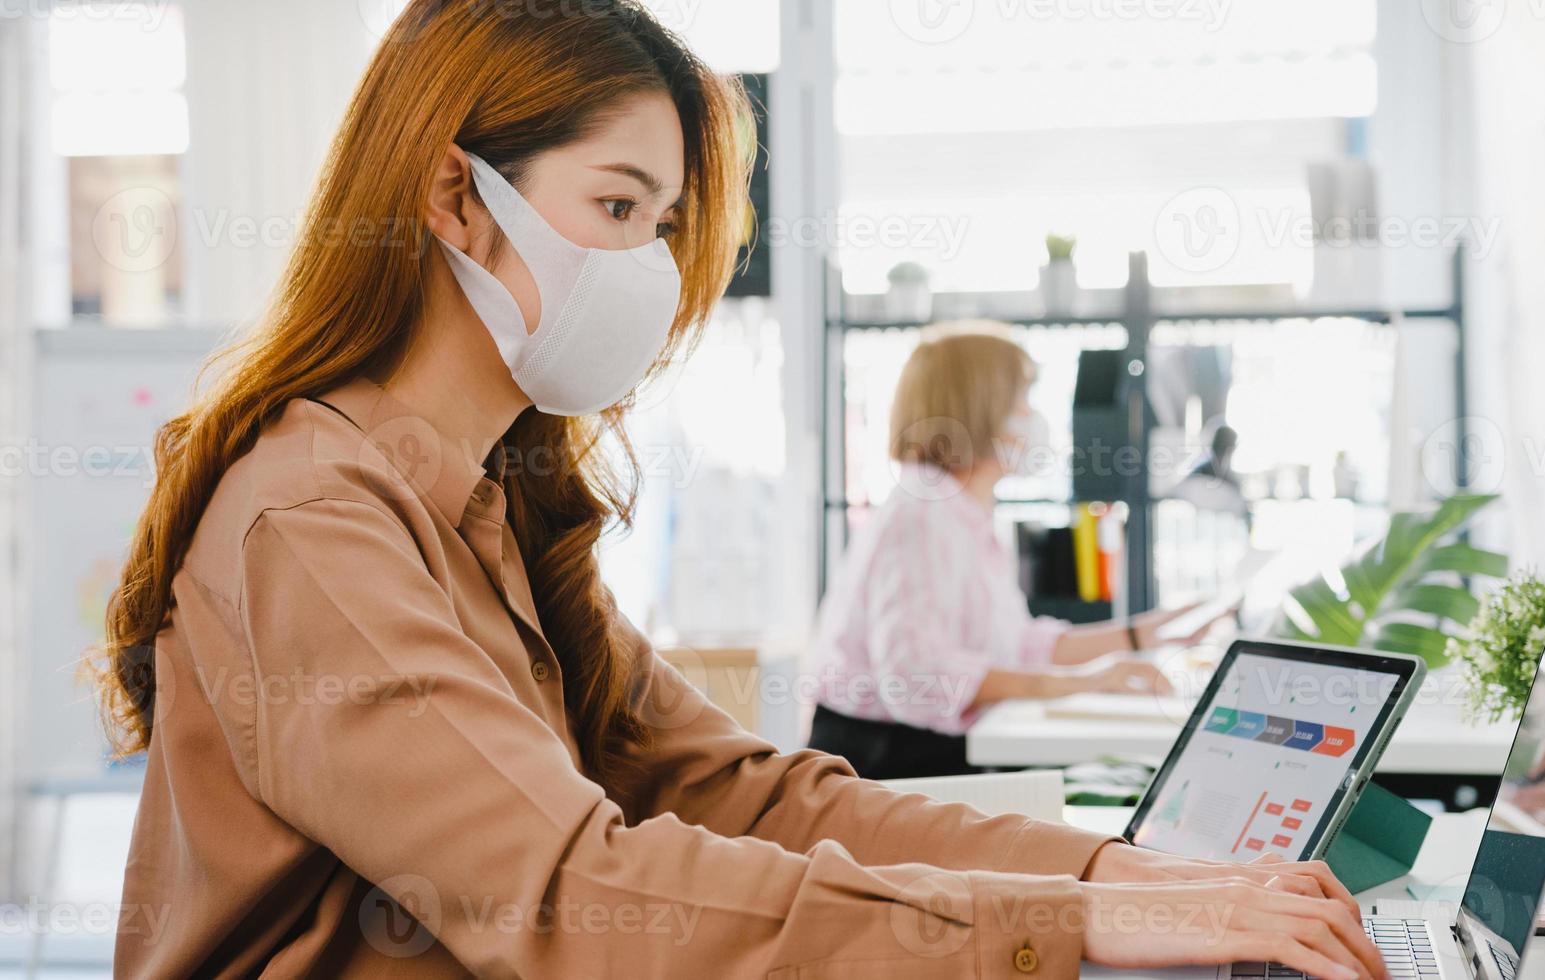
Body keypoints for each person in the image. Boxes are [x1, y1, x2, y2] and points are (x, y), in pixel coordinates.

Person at [92, 4, 1385, 978]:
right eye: (615, 204)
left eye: (661, 219)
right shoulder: (313, 517)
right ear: (453, 198)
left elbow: (748, 794)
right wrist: (1076, 921)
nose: (650, 268)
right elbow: (569, 894)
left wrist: (1123, 874)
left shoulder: (487, 506)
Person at [807, 326, 1222, 779]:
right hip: (880, 757)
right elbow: (917, 676)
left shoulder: (963, 512)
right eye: (1022, 400)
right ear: (980, 408)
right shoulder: (925, 514)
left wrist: (1141, 635)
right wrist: (1086, 681)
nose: (1032, 417)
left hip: (913, 747)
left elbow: (1017, 644)